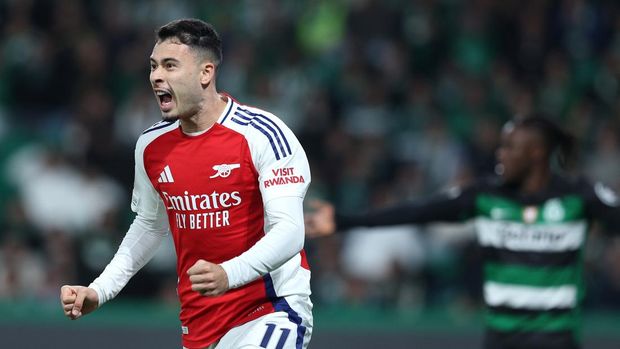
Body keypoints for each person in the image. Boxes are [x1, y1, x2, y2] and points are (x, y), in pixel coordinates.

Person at [60, 18, 313, 349]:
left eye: (170, 65)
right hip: (200, 322)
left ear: (205, 73)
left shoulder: (263, 135)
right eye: (153, 67)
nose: (156, 77)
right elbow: (150, 225)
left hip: (269, 310)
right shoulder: (151, 146)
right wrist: (99, 289)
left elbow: (290, 231)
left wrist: (229, 274)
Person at [305, 115, 620, 349]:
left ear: (537, 154)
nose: (501, 154)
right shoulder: (485, 196)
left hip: (557, 342)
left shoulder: (580, 197)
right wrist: (344, 221)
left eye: (510, 147)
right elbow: (417, 211)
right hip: (502, 342)